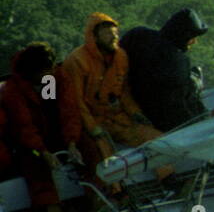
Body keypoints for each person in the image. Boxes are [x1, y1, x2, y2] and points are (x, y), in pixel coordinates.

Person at [62, 12, 163, 179]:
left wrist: (136, 113)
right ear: (94, 36)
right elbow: (76, 101)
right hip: (93, 123)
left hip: (119, 118)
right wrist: (93, 128)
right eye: (108, 33)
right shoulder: (77, 61)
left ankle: (168, 179)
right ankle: (118, 195)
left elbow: (123, 92)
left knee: (156, 140)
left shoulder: (121, 56)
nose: (114, 37)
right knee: (105, 158)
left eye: (116, 33)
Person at [0, 42, 82, 212]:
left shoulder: (48, 80)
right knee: (32, 157)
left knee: (86, 143)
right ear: (32, 72)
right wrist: (43, 151)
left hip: (50, 135)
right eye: (46, 72)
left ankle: (97, 197)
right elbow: (24, 127)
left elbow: (60, 112)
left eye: (51, 70)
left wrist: (72, 142)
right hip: (30, 144)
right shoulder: (13, 90)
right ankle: (52, 208)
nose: (50, 75)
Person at [120, 8, 210, 132]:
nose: (194, 41)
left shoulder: (137, 35)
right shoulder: (177, 62)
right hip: (157, 123)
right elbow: (176, 107)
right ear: (184, 34)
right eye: (192, 36)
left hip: (123, 108)